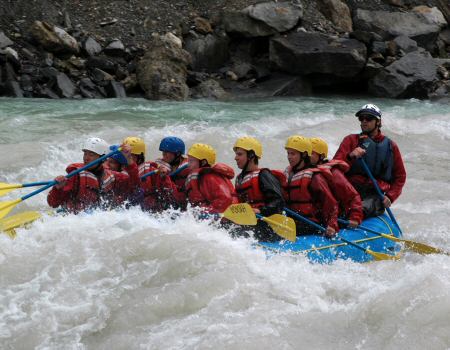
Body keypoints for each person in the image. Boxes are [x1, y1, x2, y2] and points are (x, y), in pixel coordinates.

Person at [333, 104, 406, 217]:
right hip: (350, 190)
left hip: (374, 194)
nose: (364, 121)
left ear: (378, 122)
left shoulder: (391, 146)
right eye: (361, 118)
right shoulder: (350, 140)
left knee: (356, 211)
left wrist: (391, 196)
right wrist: (350, 156)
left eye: (369, 118)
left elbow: (400, 177)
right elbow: (335, 168)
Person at [47, 137, 139, 213]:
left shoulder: (112, 176)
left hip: (96, 220)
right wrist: (58, 188)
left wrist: (129, 159)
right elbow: (53, 203)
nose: (86, 158)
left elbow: (134, 185)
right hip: (74, 218)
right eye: (85, 153)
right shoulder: (75, 176)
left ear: (103, 158)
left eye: (91, 154)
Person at [284, 136, 339, 237]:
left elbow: (331, 203)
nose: (289, 157)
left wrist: (331, 225)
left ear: (304, 154)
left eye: (293, 153)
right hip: (293, 220)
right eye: (288, 153)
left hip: (311, 223)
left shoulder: (315, 177)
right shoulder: (289, 174)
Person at [233, 136, 285, 242]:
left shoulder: (264, 175)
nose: (235, 158)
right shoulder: (239, 179)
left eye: (240, 154)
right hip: (249, 223)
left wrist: (260, 210)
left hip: (267, 224)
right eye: (236, 154)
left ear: (251, 156)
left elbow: (278, 202)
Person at [310, 137, 363, 228]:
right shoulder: (306, 172)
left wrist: (355, 217)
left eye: (312, 153)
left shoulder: (334, 173)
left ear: (322, 156)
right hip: (317, 216)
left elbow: (353, 196)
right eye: (307, 153)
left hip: (338, 216)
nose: (308, 156)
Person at [122, 136, 177, 211]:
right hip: (133, 208)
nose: (126, 158)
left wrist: (163, 177)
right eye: (124, 155)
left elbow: (168, 192)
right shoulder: (121, 171)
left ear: (139, 157)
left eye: (130, 156)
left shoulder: (151, 169)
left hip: (152, 209)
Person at [183, 143, 237, 214]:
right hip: (214, 212)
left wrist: (206, 212)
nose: (188, 164)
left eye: (191, 161)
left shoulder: (210, 177)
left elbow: (225, 199)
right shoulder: (200, 177)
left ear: (203, 162)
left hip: (228, 213)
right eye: (188, 160)